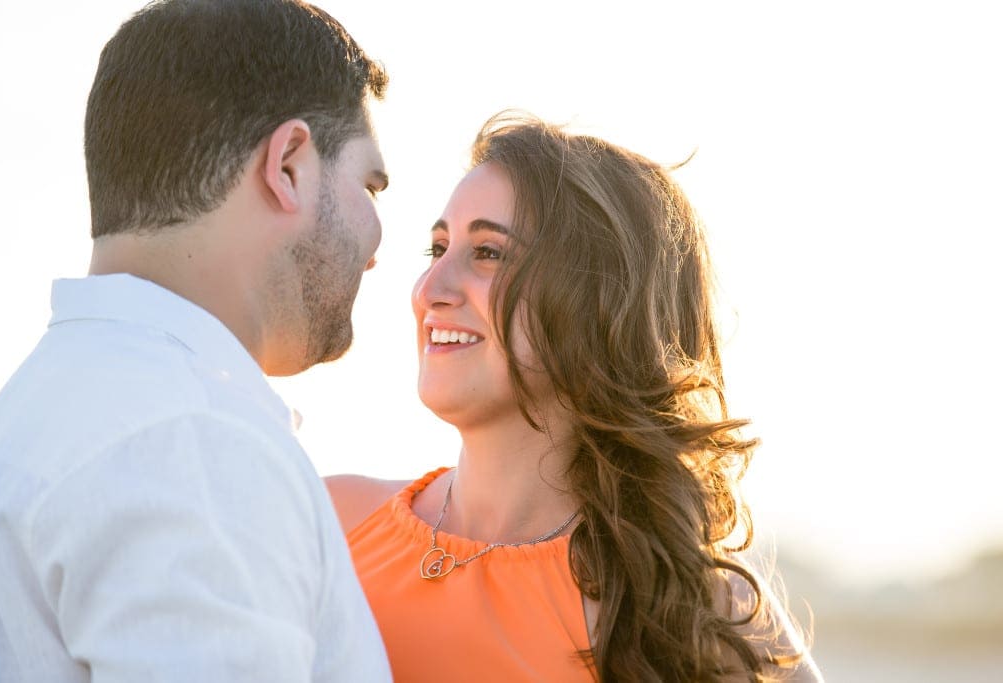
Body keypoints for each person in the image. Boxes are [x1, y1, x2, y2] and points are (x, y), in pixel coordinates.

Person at [328, 112, 823, 681]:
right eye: (436, 250)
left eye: (487, 252)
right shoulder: (328, 521)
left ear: (598, 302)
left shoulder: (687, 609)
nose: (429, 290)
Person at [0, 1, 392, 681]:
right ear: (288, 164)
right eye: (370, 184)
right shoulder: (193, 438)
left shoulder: (35, 411)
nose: (377, 241)